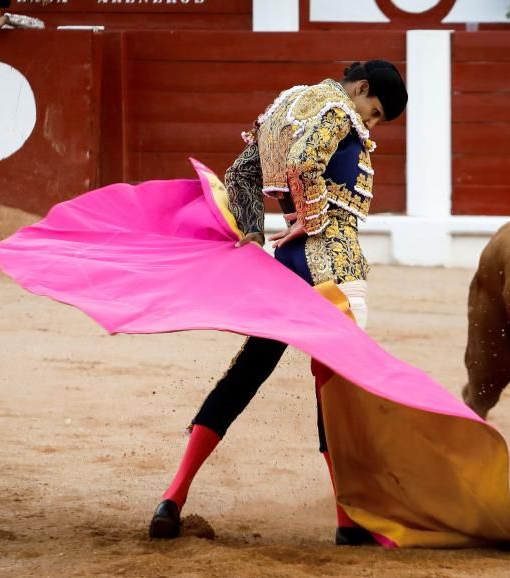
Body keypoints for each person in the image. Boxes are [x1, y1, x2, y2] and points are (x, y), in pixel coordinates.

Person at [148, 61, 408, 545]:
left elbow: (239, 174)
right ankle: (349, 523)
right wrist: (311, 218)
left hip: (284, 264)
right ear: (362, 88)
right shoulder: (336, 110)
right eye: (372, 113)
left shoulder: (284, 104)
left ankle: (173, 496)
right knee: (335, 393)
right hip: (334, 268)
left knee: (247, 373)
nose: (368, 125)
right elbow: (307, 161)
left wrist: (252, 230)